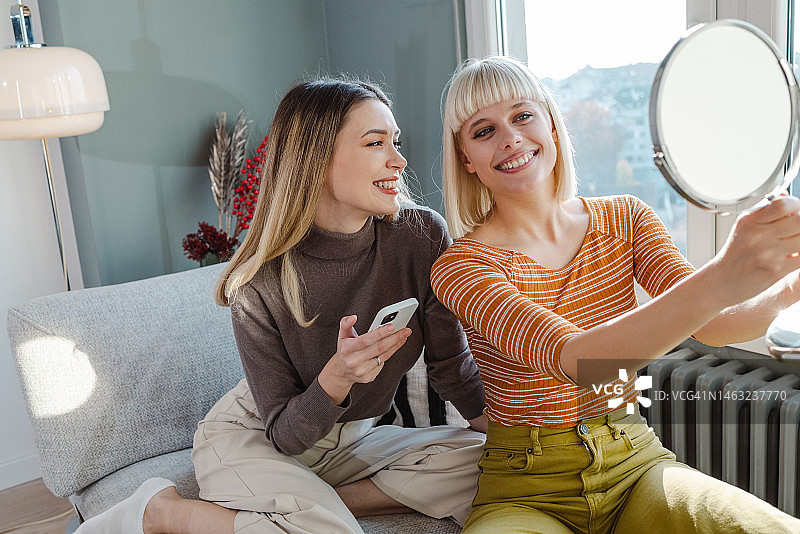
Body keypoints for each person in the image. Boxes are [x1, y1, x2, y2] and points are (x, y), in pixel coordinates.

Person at [76, 77, 487, 534]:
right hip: (260, 436)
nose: (399, 159)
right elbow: (286, 437)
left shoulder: (420, 236)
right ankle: (164, 511)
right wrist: (337, 377)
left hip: (354, 437)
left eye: (396, 141)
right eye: (375, 143)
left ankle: (302, 506)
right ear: (315, 159)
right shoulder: (259, 280)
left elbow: (453, 368)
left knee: (493, 464)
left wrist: (519, 440)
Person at [429, 55, 800, 533]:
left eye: (523, 116)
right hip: (527, 488)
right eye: (484, 131)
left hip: (635, 463)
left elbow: (716, 323)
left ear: (552, 126)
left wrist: (790, 286)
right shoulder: (461, 267)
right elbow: (582, 363)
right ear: (466, 159)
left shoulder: (625, 218)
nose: (510, 138)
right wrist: (724, 273)